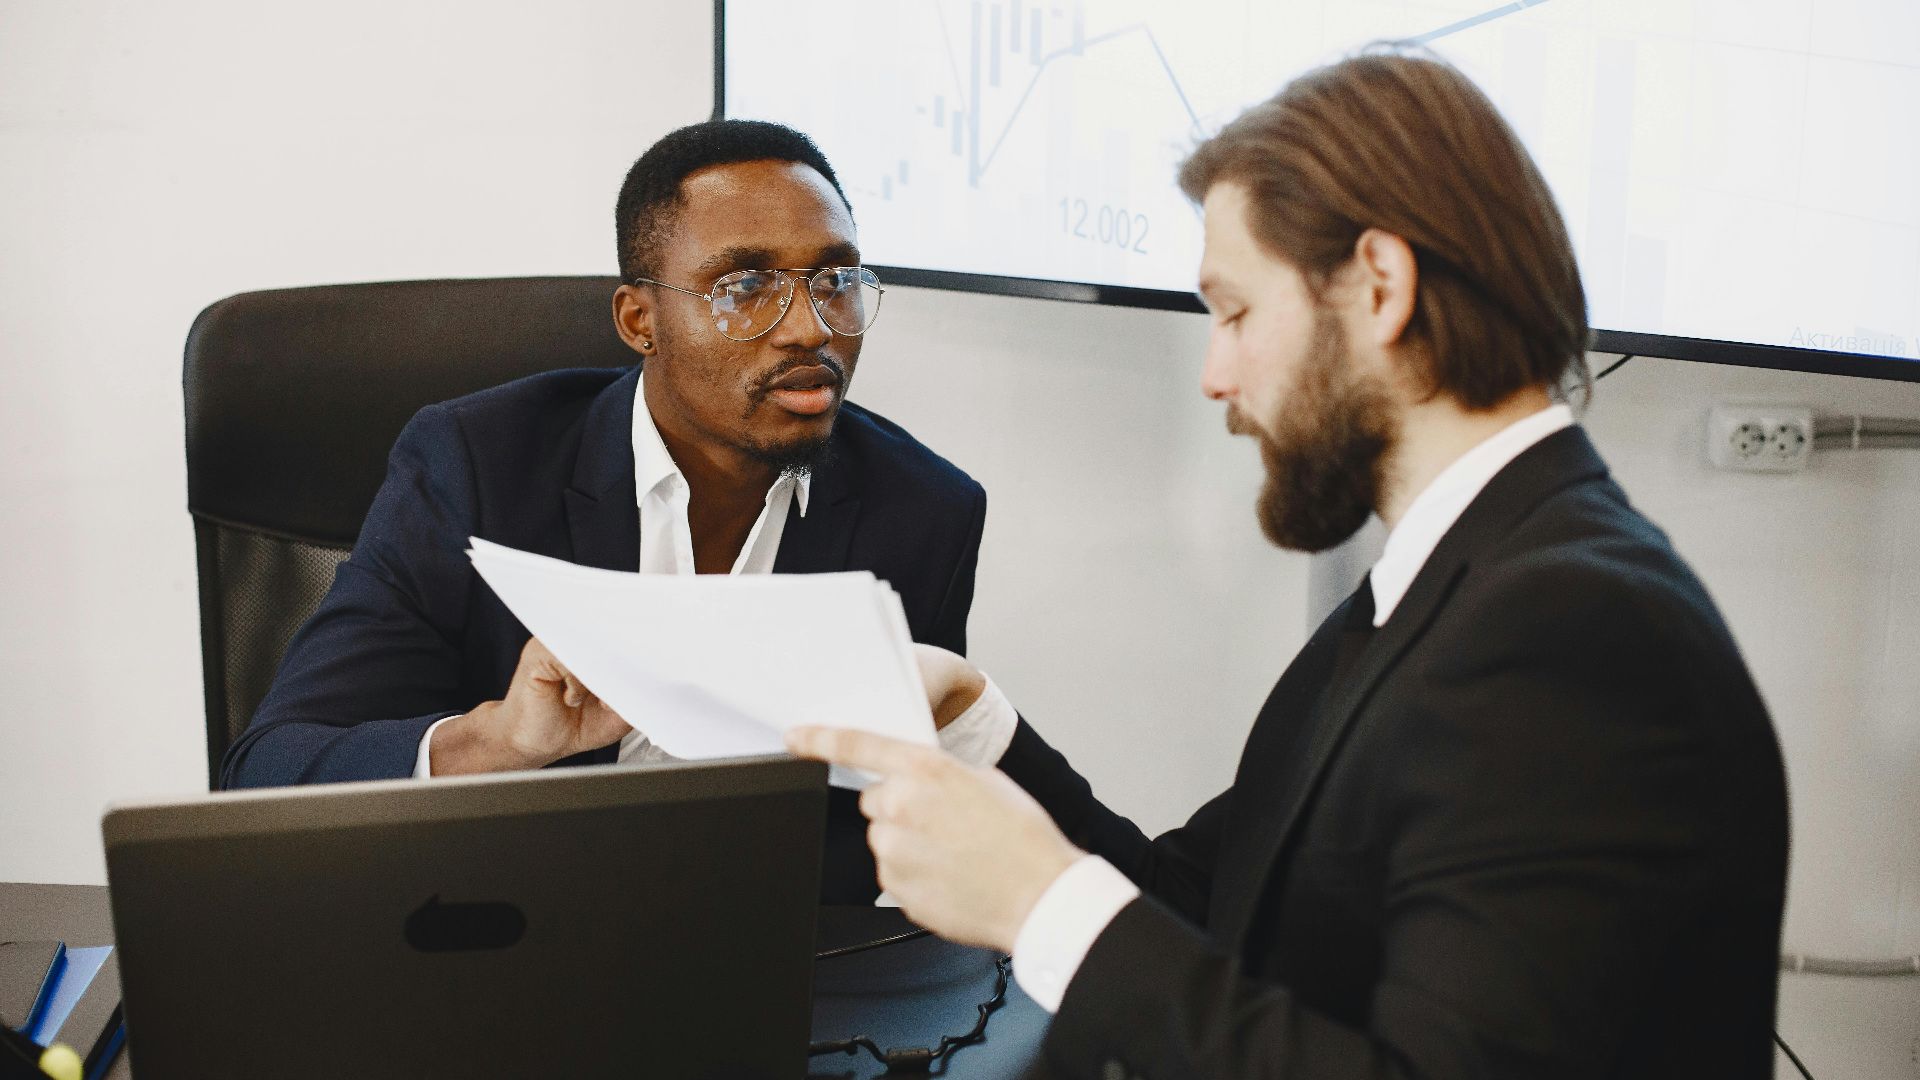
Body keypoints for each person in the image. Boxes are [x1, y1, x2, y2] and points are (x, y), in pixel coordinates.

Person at [790, 51, 1790, 1076]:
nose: (1216, 376)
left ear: (1380, 287)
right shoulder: (1444, 598)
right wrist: (971, 722)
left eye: (1234, 313)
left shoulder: (1571, 638)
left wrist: (1044, 902)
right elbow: (1205, 907)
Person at [223, 119, 995, 904]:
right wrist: (502, 739)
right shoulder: (475, 468)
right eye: (745, 287)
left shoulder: (926, 513)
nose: (809, 327)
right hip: (515, 933)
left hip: (779, 956)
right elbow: (267, 778)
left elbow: (890, 820)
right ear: (639, 321)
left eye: (834, 281)